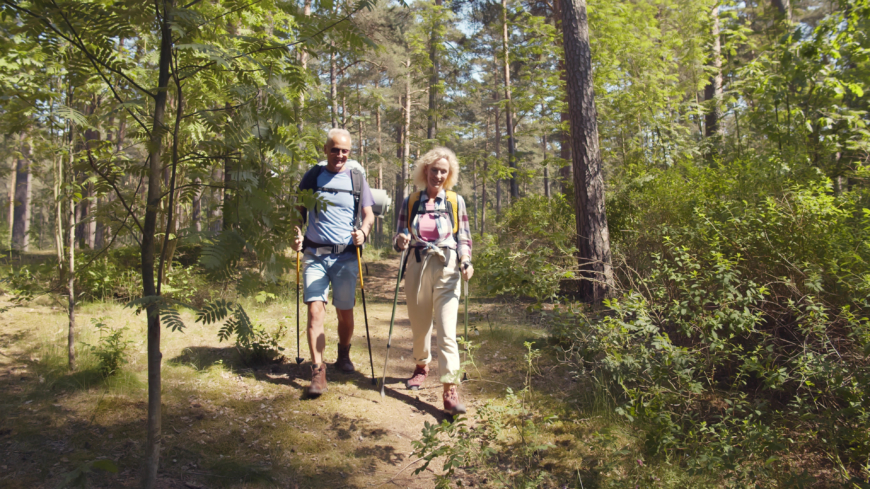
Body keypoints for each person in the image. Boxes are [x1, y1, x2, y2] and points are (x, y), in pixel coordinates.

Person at [293, 128, 375, 397]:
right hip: (315, 254)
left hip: (346, 256)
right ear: (325, 149)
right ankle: (318, 370)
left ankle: (343, 353)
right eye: (334, 149)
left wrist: (363, 232)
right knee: (315, 310)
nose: (339, 155)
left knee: (345, 313)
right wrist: (296, 232)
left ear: (349, 152)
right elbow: (299, 212)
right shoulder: (313, 175)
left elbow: (368, 215)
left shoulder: (356, 177)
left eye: (344, 150)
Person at [393, 146, 474, 415]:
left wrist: (466, 260)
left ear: (449, 175)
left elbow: (464, 236)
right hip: (417, 263)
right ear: (424, 170)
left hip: (448, 266)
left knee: (447, 330)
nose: (438, 175)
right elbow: (400, 236)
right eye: (434, 170)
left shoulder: (455, 201)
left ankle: (449, 388)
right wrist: (401, 240)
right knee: (420, 324)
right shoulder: (411, 200)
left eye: (443, 171)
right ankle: (420, 365)